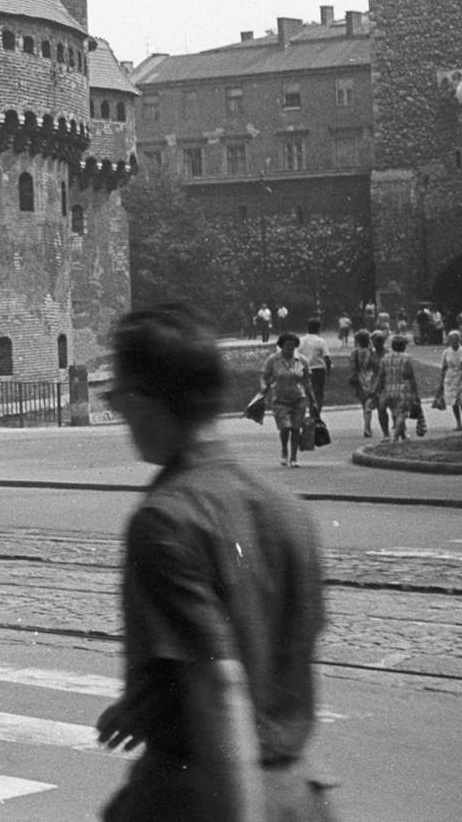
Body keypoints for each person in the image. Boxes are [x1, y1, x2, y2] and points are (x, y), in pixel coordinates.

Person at [96, 305, 334, 822]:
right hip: (297, 797)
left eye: (120, 399)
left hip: (203, 799)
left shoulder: (166, 520)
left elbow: (220, 688)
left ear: (147, 400)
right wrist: (155, 700)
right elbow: (269, 655)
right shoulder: (288, 511)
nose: (122, 418)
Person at [261, 333, 317, 467]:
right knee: (285, 427)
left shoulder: (301, 360)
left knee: (296, 428)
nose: (290, 348)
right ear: (281, 346)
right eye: (287, 345)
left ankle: (294, 457)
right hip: (280, 399)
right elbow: (263, 376)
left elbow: (307, 381)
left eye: (293, 346)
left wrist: (313, 400)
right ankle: (284, 451)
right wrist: (263, 387)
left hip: (299, 398)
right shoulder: (273, 360)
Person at [372, 335, 420, 441]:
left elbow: (380, 376)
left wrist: (374, 390)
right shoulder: (407, 358)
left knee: (393, 411)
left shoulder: (385, 358)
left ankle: (402, 436)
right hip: (403, 390)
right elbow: (410, 377)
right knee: (401, 414)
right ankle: (395, 438)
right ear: (403, 346)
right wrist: (415, 393)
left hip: (389, 389)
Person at [438, 330, 462, 432]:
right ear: (449, 340)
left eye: (457, 339)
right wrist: (441, 383)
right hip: (450, 379)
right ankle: (458, 422)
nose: (455, 341)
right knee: (454, 402)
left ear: (460, 340)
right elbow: (443, 368)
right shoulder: (446, 352)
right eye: (452, 339)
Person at [297, 318, 332, 411]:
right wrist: (328, 370)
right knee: (318, 394)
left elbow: (296, 357)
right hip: (318, 369)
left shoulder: (300, 341)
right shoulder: (320, 341)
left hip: (304, 370)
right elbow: (327, 357)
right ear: (319, 329)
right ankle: (316, 414)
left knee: (306, 393)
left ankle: (307, 412)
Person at [348, 330, 377, 438]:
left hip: (359, 378)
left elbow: (352, 366)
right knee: (369, 402)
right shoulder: (371, 351)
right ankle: (367, 427)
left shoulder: (354, 352)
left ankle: (367, 426)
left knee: (364, 404)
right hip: (370, 377)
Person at [367, 331, 390, 438]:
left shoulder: (388, 353)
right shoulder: (372, 354)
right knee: (381, 408)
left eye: (380, 341)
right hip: (376, 381)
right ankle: (386, 433)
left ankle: (401, 429)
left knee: (393, 408)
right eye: (375, 341)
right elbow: (366, 366)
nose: (378, 343)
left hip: (387, 382)